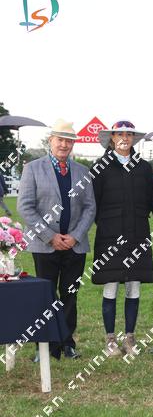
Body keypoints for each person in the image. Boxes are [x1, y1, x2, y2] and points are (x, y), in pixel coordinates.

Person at [17, 119, 96, 361]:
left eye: (69, 141)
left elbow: (90, 208)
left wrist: (75, 236)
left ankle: (67, 343)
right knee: (45, 296)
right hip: (44, 246)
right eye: (60, 140)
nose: (64, 145)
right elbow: (25, 207)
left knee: (70, 295)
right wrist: (50, 237)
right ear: (51, 141)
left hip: (75, 246)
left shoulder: (82, 172)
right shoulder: (33, 169)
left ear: (73, 144)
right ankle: (44, 347)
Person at [91, 121, 153, 356]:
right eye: (120, 134)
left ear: (133, 139)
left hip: (138, 235)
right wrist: (109, 225)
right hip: (109, 237)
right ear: (112, 138)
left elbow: (150, 199)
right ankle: (110, 340)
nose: (124, 138)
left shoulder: (144, 168)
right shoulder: (100, 167)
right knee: (110, 286)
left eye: (129, 134)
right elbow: (93, 203)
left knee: (133, 286)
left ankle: (129, 338)